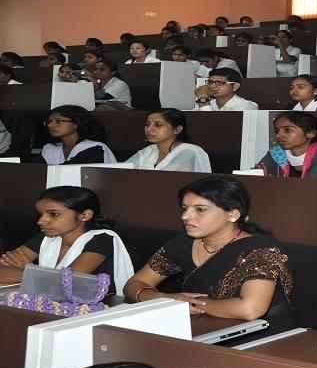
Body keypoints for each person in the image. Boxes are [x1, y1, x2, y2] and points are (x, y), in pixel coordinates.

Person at [124, 177, 296, 338]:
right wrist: (163, 299)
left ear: (233, 214)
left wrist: (189, 304)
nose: (185, 216)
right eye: (185, 208)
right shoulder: (184, 243)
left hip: (263, 337)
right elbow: (134, 284)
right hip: (203, 331)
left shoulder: (262, 248)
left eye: (200, 209)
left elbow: (250, 309)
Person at [0, 186, 134, 295]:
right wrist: (33, 274)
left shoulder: (102, 239)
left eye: (54, 214)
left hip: (99, 308)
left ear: (85, 215)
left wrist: (33, 272)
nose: (41, 221)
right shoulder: (47, 237)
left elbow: (66, 282)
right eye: (41, 214)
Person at [257, 112, 317, 179]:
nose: (278, 135)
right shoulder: (275, 153)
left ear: (310, 133)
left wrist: (272, 183)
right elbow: (256, 178)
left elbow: (308, 187)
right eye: (277, 131)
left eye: (287, 130)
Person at [126, 109, 212, 172]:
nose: (149, 129)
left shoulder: (191, 152)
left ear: (177, 129)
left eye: (158, 125)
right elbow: (121, 171)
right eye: (147, 124)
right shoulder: (148, 151)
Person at [39, 105, 117, 165]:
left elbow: (68, 172)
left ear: (77, 123)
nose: (50, 125)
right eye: (49, 121)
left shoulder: (94, 148)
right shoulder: (49, 149)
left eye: (59, 121)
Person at [193, 68, 257, 111]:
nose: (212, 86)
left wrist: (203, 100)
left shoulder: (247, 106)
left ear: (235, 86)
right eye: (210, 82)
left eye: (219, 83)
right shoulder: (206, 102)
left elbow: (216, 125)